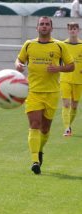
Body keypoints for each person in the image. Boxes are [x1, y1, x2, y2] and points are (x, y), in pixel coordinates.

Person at [15, 16, 74, 175]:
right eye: (41, 24)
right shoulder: (29, 45)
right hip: (33, 92)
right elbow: (19, 60)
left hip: (52, 93)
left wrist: (58, 69)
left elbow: (71, 66)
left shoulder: (59, 46)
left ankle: (39, 150)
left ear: (51, 28)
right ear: (37, 28)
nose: (44, 26)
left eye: (47, 24)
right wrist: (18, 65)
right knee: (34, 124)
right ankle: (35, 161)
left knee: (45, 129)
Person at [60, 22, 82, 136]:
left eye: (74, 29)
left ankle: (69, 125)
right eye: (70, 29)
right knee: (66, 104)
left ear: (78, 31)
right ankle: (66, 129)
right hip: (65, 78)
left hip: (79, 80)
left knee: (74, 105)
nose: (72, 31)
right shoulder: (63, 45)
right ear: (68, 30)